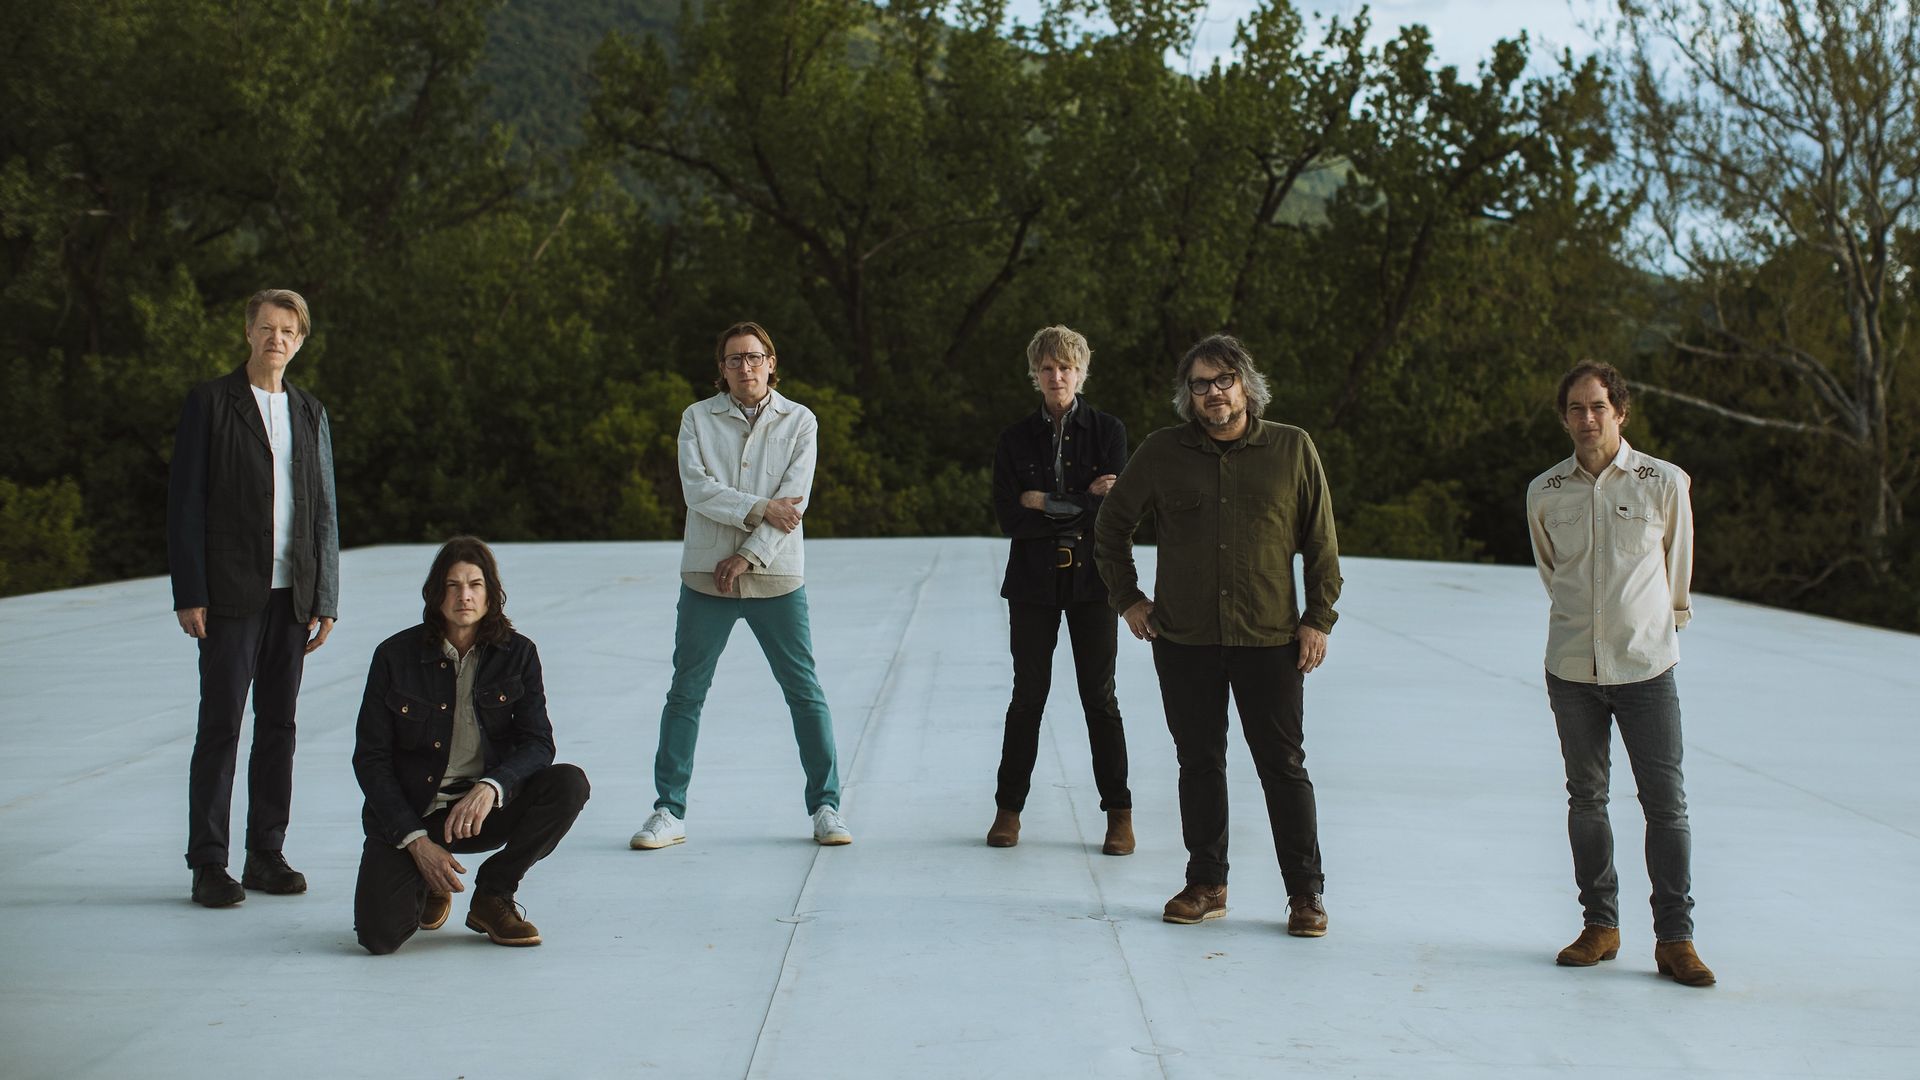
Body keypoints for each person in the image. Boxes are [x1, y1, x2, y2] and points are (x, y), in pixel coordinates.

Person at [1094, 334, 1340, 935]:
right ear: (1189, 396)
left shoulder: (1292, 448)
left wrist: (1317, 618)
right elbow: (1111, 528)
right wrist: (1128, 599)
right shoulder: (1161, 452)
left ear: (1246, 384)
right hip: (1186, 641)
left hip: (1271, 639)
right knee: (1199, 762)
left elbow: (1321, 544)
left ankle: (1305, 896)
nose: (1212, 393)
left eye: (1223, 379)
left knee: (1283, 766)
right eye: (1200, 384)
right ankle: (1207, 883)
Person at [1527, 362, 1714, 987]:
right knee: (1587, 800)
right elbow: (1553, 575)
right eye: (1576, 408)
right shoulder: (1545, 493)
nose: (1586, 419)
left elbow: (1676, 574)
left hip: (1646, 667)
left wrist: (1657, 628)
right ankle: (1600, 926)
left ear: (1620, 412)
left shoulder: (1664, 483)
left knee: (1666, 805)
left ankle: (1675, 940)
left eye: (1598, 407)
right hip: (1572, 667)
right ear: (1564, 416)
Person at [629, 320, 850, 851]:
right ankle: (668, 811)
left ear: (771, 362)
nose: (745, 367)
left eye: (754, 357)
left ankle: (826, 807)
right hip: (707, 574)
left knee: (804, 692)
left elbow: (794, 500)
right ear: (721, 369)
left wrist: (749, 555)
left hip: (776, 575)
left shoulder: (800, 420)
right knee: (686, 692)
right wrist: (756, 507)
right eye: (734, 360)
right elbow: (697, 489)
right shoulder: (696, 419)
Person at [168, 288, 339, 908]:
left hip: (291, 596)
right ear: (248, 332)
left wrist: (325, 594)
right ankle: (209, 861)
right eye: (267, 328)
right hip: (230, 595)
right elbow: (185, 504)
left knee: (280, 727)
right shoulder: (211, 404)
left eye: (288, 332)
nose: (277, 340)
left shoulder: (310, 411)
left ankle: (266, 852)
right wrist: (191, 591)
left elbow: (323, 511)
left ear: (300, 341)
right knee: (221, 724)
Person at [351, 537, 589, 953]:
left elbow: (538, 742)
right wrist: (416, 842)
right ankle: (429, 878)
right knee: (380, 938)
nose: (465, 596)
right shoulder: (393, 656)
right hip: (414, 815)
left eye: (476, 585)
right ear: (434, 594)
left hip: (480, 812)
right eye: (453, 585)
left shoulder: (519, 654)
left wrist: (492, 786)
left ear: (491, 593)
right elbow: (370, 760)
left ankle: (493, 895)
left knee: (569, 783)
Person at [986, 325, 1133, 854]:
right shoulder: (1014, 438)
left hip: (1094, 580)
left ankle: (1119, 815)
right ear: (1035, 375)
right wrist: (1077, 503)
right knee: (1028, 696)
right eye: (1047, 368)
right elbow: (1009, 516)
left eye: (1066, 367)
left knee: (1100, 697)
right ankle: (1009, 811)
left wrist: (1043, 501)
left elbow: (1114, 511)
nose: (1057, 376)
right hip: (1031, 582)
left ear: (1081, 372)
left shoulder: (1109, 431)